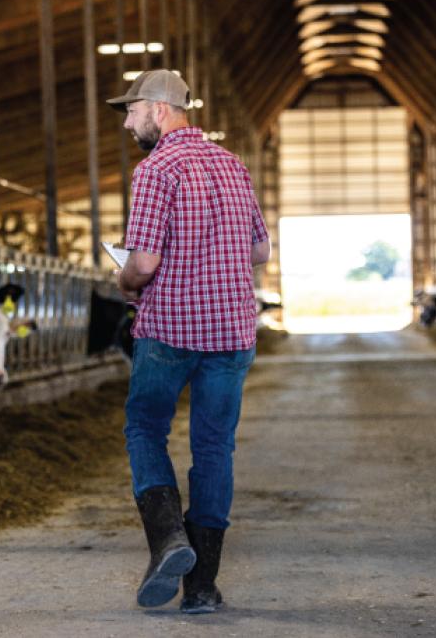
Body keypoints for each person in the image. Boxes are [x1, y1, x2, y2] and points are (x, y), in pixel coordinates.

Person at [106, 69, 270, 613]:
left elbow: (145, 263)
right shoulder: (233, 165)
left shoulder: (155, 169)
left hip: (170, 330)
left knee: (146, 428)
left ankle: (169, 540)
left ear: (159, 109)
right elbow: (259, 253)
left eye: (131, 111)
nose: (127, 123)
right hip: (231, 333)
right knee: (214, 449)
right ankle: (201, 588)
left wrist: (123, 279)